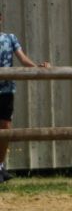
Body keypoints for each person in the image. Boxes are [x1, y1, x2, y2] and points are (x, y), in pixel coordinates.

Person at [0, 10, 51, 182]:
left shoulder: (10, 38)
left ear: (1, 19)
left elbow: (22, 59)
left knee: (5, 127)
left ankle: (0, 166)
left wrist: (37, 66)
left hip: (6, 90)